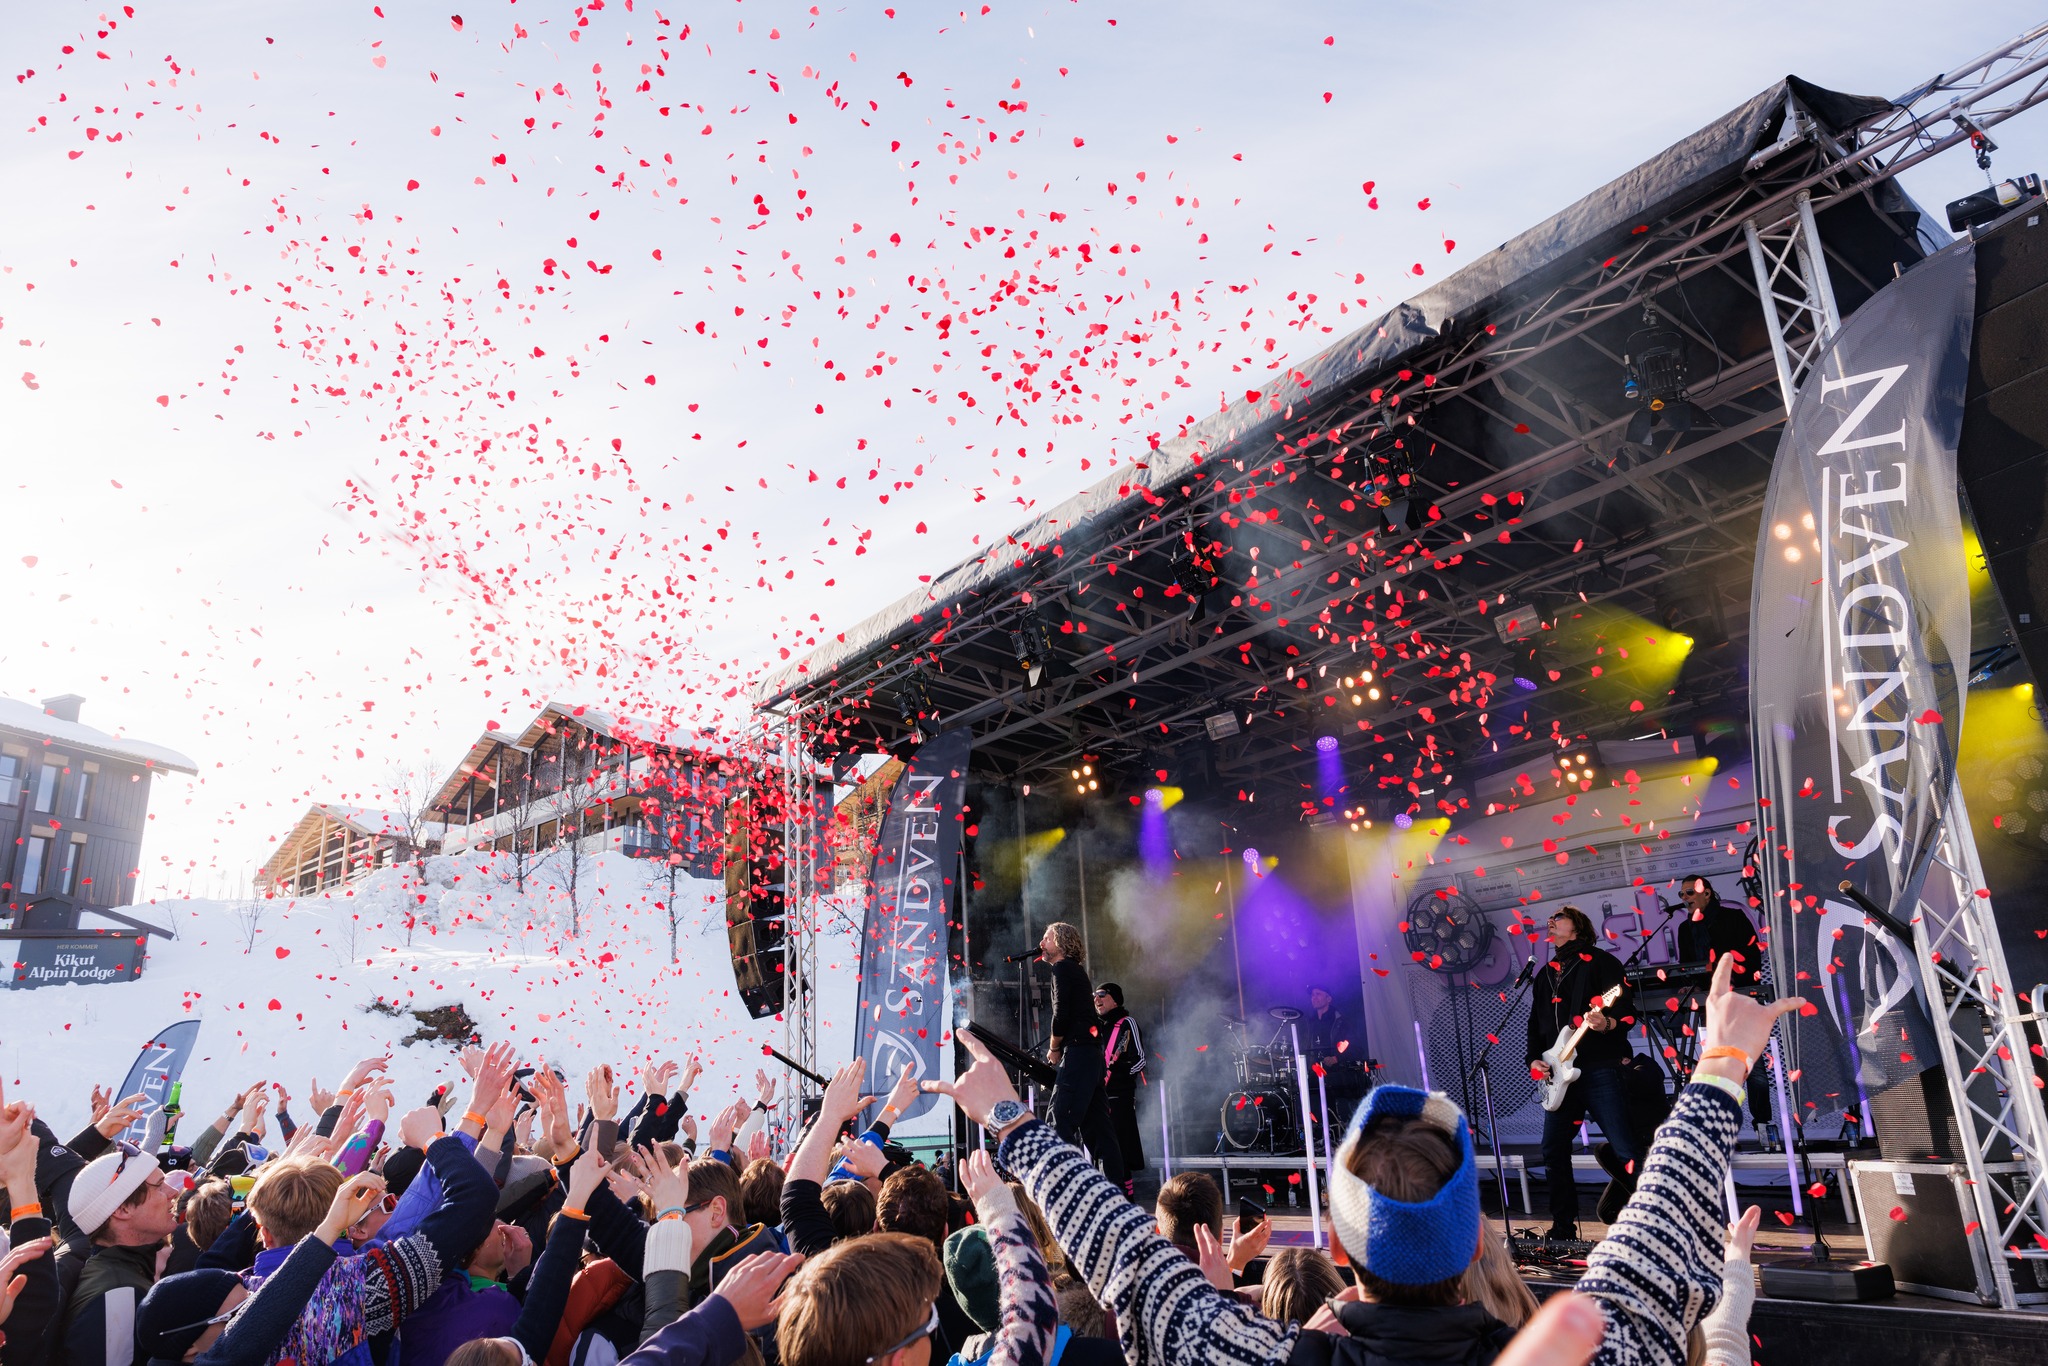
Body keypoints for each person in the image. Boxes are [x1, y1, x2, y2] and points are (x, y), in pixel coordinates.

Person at [1525, 905, 1641, 1241]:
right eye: (1550, 918)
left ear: (1577, 926)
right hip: (1559, 1075)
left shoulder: (1603, 962)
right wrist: (1534, 1059)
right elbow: (1535, 1024)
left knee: (1625, 1149)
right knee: (1553, 1150)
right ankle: (1563, 1228)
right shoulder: (1545, 974)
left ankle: (1657, 1221)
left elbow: (1626, 1012)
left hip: (1599, 1068)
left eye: (1559, 917)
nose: (1551, 921)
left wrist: (1606, 1023)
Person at [1675, 876, 1775, 1137]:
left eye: (1689, 892)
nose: (1685, 898)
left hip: (1739, 997)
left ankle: (1763, 1125)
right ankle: (1726, 1129)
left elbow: (1752, 956)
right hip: (1709, 1005)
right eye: (1681, 894)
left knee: (1752, 1066)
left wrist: (1731, 982)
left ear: (1707, 893)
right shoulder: (1685, 929)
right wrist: (1691, 986)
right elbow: (1688, 967)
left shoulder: (1732, 917)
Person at [1037, 924, 1123, 1189]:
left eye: (1047, 938)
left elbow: (1060, 1015)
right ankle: (1114, 1194)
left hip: (1078, 1054)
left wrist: (1054, 1049)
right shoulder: (1076, 970)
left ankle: (1067, 1191)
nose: (1042, 943)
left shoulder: (1062, 968)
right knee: (1099, 1132)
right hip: (1092, 1056)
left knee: (1059, 1122)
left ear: (1061, 943)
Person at [1092, 985, 1145, 1196]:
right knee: (1102, 1152)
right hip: (1098, 1098)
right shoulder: (1095, 1027)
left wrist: (1119, 1075)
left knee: (1121, 1150)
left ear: (1115, 1000)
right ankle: (1106, 1196)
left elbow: (1140, 1059)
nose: (1096, 999)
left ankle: (1126, 1198)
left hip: (1119, 1098)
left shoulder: (1126, 1023)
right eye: (1094, 996)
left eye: (1101, 995)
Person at [1304, 987, 1367, 1132]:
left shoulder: (1340, 1021)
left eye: (1318, 994)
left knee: (1337, 1111)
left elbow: (1357, 1048)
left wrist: (1336, 1058)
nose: (1314, 997)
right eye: (1312, 995)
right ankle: (1319, 1136)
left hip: (1337, 1076)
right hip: (1315, 1075)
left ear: (1329, 999)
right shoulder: (1309, 1023)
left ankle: (1338, 1135)